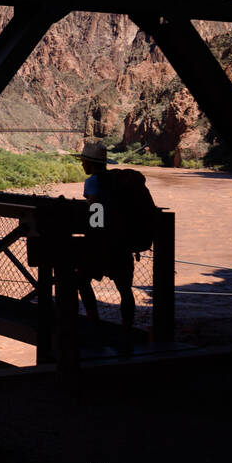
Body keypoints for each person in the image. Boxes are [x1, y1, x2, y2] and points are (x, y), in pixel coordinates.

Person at [73, 140, 157, 353]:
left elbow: (95, 216)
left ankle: (94, 325)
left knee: (81, 280)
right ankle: (126, 332)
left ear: (91, 164)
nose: (82, 166)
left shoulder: (93, 182)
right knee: (125, 290)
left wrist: (89, 230)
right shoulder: (120, 182)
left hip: (102, 246)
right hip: (124, 244)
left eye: (84, 162)